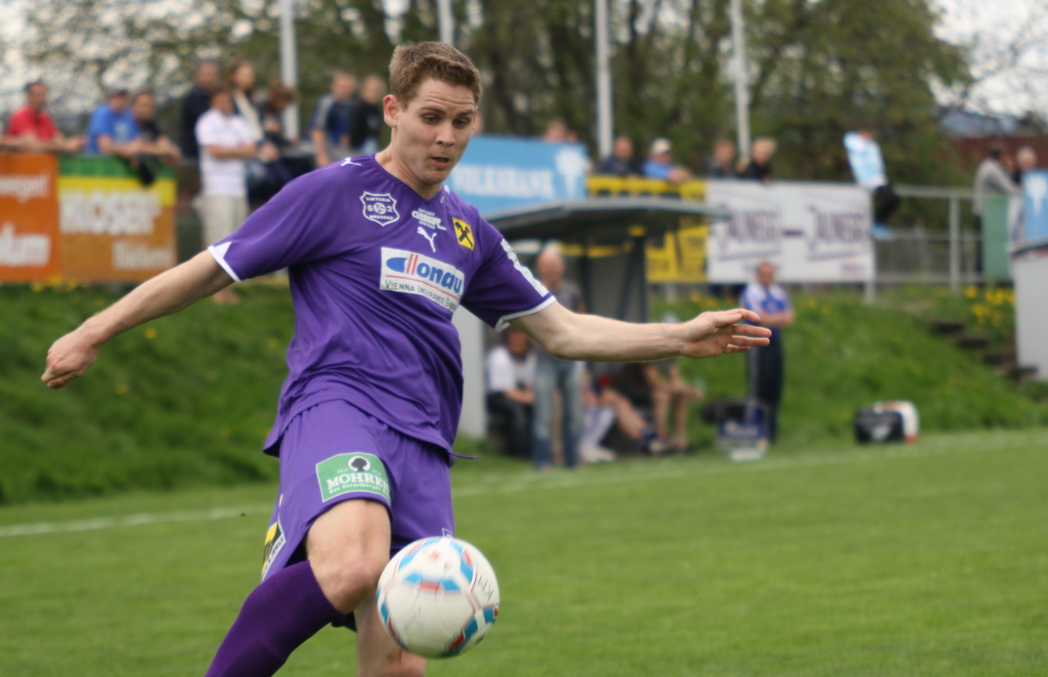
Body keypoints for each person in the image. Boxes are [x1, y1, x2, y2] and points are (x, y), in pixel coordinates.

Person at [41, 41, 770, 677]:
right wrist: (94, 330)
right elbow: (211, 268)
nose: (446, 136)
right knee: (354, 565)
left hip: (423, 439)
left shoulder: (469, 231)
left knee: (402, 654)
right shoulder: (332, 192)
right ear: (392, 110)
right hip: (338, 404)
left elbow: (564, 331)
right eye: (431, 116)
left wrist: (680, 336)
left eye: (462, 120)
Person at [195, 87, 263, 302]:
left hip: (238, 188)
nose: (227, 104)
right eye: (222, 100)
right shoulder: (207, 122)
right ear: (213, 102)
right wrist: (238, 151)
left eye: (229, 100)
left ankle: (226, 289)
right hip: (217, 188)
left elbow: (252, 149)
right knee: (217, 240)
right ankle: (211, 290)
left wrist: (230, 151)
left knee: (235, 241)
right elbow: (214, 151)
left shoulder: (238, 122)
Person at [530, 247, 585, 471]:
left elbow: (583, 320)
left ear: (562, 267)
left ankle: (573, 460)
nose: (552, 269)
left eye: (555, 265)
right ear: (540, 268)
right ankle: (543, 461)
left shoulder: (573, 291)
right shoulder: (532, 289)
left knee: (574, 412)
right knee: (544, 413)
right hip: (544, 359)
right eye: (547, 266)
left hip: (571, 359)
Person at [739, 262, 793, 443]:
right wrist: (777, 318)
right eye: (764, 274)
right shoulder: (752, 292)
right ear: (758, 275)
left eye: (770, 274)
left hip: (775, 342)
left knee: (774, 386)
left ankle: (771, 431)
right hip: (757, 343)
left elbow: (789, 319)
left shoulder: (778, 293)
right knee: (758, 386)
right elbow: (760, 318)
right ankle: (755, 427)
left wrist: (772, 319)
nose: (768, 278)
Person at [610, 359, 702, 453]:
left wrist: (687, 390)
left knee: (681, 396)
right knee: (662, 397)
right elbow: (653, 382)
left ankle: (680, 437)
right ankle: (659, 437)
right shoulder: (649, 355)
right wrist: (678, 390)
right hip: (631, 387)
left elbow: (675, 381)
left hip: (649, 388)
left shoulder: (671, 357)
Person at [485, 328, 536, 458]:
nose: (518, 341)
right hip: (498, 397)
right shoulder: (499, 356)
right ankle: (519, 453)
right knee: (517, 412)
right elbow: (505, 391)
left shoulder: (530, 357)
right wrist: (531, 398)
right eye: (514, 338)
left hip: (522, 395)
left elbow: (531, 384)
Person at [972, 147, 1020, 273]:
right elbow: (1009, 189)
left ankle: (982, 278)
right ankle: (981, 279)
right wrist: (1026, 192)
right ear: (1000, 157)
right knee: (985, 248)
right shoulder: (992, 170)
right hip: (985, 214)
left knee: (983, 247)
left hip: (984, 213)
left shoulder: (986, 166)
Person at [843, 123, 900, 226]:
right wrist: (864, 140)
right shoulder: (853, 140)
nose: (871, 136)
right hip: (866, 180)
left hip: (878, 179)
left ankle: (878, 222)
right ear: (862, 132)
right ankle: (877, 222)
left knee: (893, 199)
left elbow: (877, 162)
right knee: (889, 200)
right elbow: (858, 148)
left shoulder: (872, 144)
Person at [5, 80, 84, 153]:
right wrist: (66, 147)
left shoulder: (45, 118)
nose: (43, 99)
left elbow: (59, 141)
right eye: (39, 95)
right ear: (29, 97)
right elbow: (34, 145)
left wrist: (73, 143)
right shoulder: (20, 116)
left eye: (44, 95)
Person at [127, 91, 182, 184]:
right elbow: (130, 149)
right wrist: (158, 150)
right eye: (144, 105)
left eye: (151, 106)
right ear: (134, 106)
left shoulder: (151, 126)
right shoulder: (125, 123)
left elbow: (174, 152)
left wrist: (148, 149)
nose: (148, 109)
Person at [309, 71, 357, 167]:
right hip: (324, 149)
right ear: (333, 86)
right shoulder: (327, 103)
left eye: (348, 87)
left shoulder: (348, 105)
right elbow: (317, 129)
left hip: (338, 150)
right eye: (342, 87)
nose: (345, 90)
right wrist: (321, 155)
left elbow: (344, 133)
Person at [179, 60, 221, 163]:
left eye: (213, 75)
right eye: (207, 75)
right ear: (197, 76)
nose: (210, 79)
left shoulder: (216, 97)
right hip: (195, 156)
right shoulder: (193, 99)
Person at [84, 88, 138, 156]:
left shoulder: (128, 115)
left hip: (120, 158)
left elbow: (138, 141)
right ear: (110, 99)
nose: (121, 101)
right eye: (117, 98)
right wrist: (128, 150)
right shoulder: (102, 113)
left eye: (123, 98)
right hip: (98, 159)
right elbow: (105, 147)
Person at [347, 75, 387, 156]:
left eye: (376, 91)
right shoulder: (358, 107)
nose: (373, 94)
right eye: (371, 90)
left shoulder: (375, 109)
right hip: (357, 148)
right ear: (364, 90)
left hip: (372, 146)